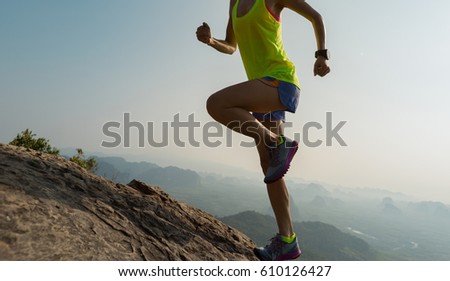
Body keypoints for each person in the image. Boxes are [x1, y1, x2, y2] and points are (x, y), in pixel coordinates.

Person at [196, 0, 330, 261]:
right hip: (261, 90)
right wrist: (212, 41)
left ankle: (276, 141)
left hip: (280, 81)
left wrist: (321, 55)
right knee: (271, 166)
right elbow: (231, 46)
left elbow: (316, 17)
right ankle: (287, 239)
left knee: (216, 103)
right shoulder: (234, 3)